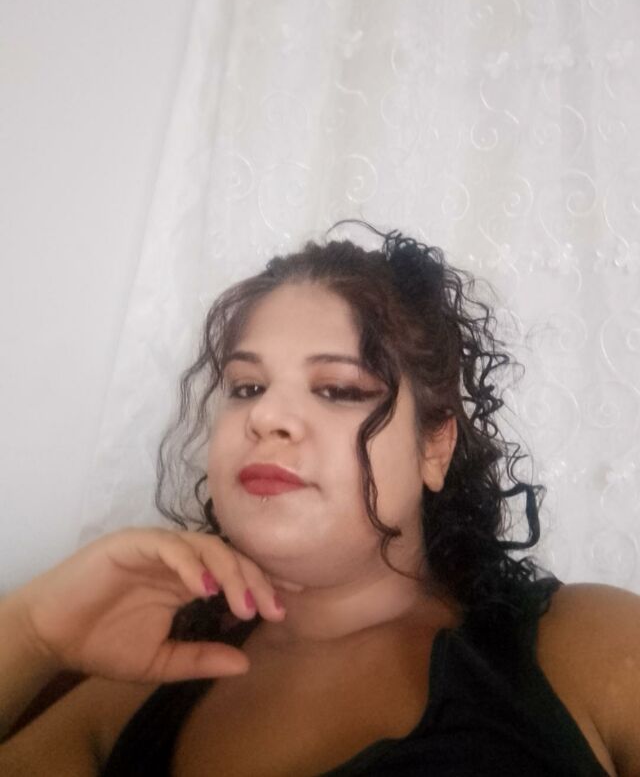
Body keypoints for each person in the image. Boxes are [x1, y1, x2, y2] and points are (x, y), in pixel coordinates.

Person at [0, 220, 638, 776]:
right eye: (246, 387)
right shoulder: (142, 684)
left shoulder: (587, 648)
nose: (266, 417)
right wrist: (31, 631)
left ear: (434, 448)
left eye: (338, 389)